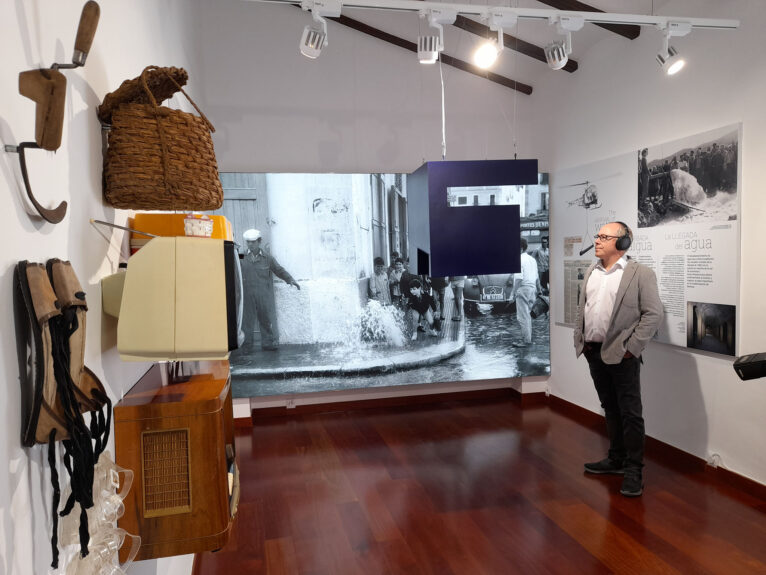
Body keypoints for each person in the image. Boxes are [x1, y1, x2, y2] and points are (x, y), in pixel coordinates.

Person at [573, 221, 663, 497]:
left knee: (630, 413)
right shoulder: (592, 270)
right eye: (598, 235)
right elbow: (585, 308)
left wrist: (631, 348)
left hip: (622, 356)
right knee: (609, 407)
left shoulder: (641, 274)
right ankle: (616, 459)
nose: (597, 241)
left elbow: (653, 314)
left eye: (603, 236)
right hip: (593, 352)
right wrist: (582, 341)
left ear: (622, 243)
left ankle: (634, 470)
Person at [241, 228, 301, 351]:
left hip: (263, 294)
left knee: (265, 319)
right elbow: (232, 269)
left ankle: (268, 343)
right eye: (248, 242)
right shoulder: (241, 256)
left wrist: (290, 279)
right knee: (247, 321)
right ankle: (246, 347)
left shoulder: (268, 258)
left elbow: (278, 270)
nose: (250, 244)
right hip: (247, 295)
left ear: (259, 242)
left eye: (253, 242)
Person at [509, 238, 541, 348]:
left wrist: (512, 294)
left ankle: (526, 341)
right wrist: (540, 290)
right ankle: (527, 339)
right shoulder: (532, 260)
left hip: (523, 288)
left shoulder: (518, 259)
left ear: (521, 248)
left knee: (523, 316)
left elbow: (518, 279)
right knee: (527, 316)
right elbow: (537, 278)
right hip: (532, 289)